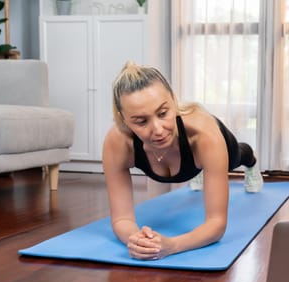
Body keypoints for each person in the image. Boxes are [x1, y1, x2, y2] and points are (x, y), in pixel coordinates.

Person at [102, 61, 263, 260]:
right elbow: (122, 218)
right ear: (123, 119)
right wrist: (137, 240)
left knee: (237, 157)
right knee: (202, 166)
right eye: (141, 121)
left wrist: (172, 245)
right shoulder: (117, 143)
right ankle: (201, 170)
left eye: (163, 113)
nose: (158, 130)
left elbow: (216, 224)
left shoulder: (204, 135)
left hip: (211, 146)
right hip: (191, 159)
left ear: (173, 101)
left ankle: (251, 159)